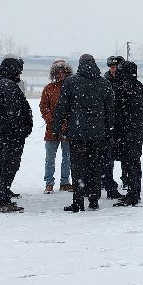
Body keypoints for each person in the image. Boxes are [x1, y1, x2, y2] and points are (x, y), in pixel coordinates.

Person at [55, 53, 114, 212]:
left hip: (77, 133)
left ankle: (78, 201)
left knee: (77, 167)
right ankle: (94, 200)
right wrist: (109, 131)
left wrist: (56, 129)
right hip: (97, 134)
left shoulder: (71, 82)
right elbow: (110, 110)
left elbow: (62, 108)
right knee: (95, 167)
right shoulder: (104, 83)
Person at [0, 56, 33, 213]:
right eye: (18, 70)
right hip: (12, 134)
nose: (20, 73)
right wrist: (21, 129)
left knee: (4, 164)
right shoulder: (8, 86)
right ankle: (3, 199)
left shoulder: (2, 84)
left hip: (6, 132)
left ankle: (0, 196)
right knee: (9, 166)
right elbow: (14, 113)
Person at [113, 59, 143, 206]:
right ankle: (135, 192)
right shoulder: (140, 87)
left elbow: (119, 111)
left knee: (130, 163)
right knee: (134, 162)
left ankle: (133, 195)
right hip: (136, 130)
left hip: (126, 131)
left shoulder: (123, 88)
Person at [39, 59, 73, 195]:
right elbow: (43, 106)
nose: (60, 74)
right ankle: (49, 182)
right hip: (52, 128)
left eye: (62, 71)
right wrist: (51, 120)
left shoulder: (72, 87)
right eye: (57, 71)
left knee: (67, 157)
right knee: (50, 158)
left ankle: (65, 182)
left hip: (68, 128)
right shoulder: (48, 88)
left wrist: (68, 121)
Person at [102, 54, 127, 200]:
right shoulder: (105, 81)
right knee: (108, 155)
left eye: (115, 67)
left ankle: (126, 179)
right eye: (111, 67)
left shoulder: (125, 81)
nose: (113, 70)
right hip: (110, 123)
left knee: (124, 153)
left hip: (122, 123)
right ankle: (107, 180)